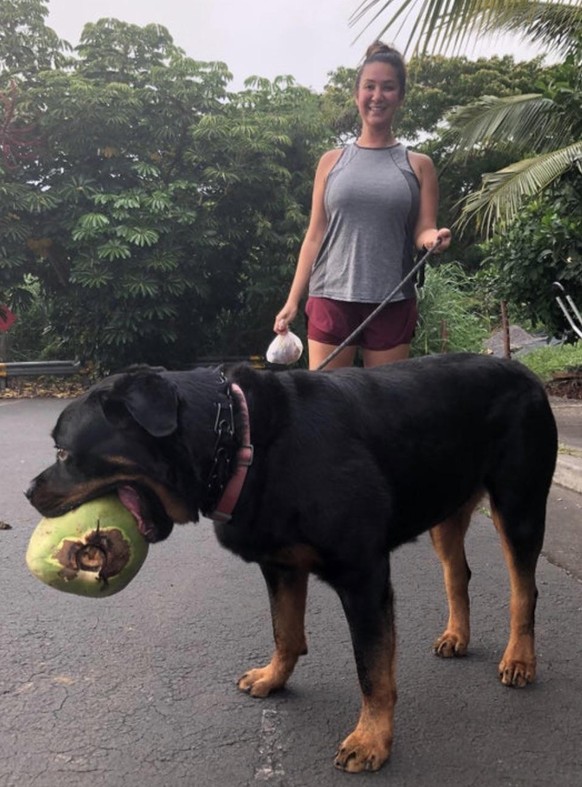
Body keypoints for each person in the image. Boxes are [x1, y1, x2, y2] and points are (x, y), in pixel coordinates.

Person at [273, 41, 452, 370]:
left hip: (392, 300)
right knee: (328, 410)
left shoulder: (419, 165)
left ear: (400, 96)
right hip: (330, 297)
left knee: (385, 412)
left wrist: (432, 239)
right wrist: (292, 300)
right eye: (369, 86)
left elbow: (423, 228)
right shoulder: (331, 162)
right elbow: (315, 235)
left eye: (388, 87)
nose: (377, 96)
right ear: (357, 94)